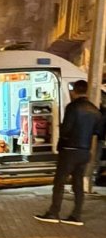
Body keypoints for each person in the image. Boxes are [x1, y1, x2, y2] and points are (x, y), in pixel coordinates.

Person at [35, 80, 101, 226]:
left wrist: (61, 138)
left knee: (59, 182)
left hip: (69, 150)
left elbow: (66, 130)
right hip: (85, 151)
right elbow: (98, 131)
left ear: (74, 91)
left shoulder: (73, 107)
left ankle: (53, 212)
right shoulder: (95, 110)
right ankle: (76, 216)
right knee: (78, 184)